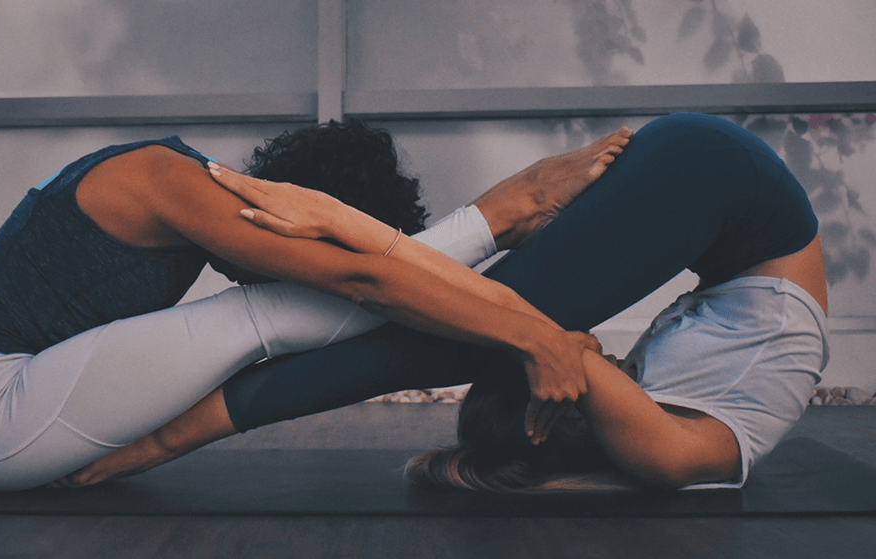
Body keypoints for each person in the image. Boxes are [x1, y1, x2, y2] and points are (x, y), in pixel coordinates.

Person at [58, 113, 827, 491]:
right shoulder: (686, 455)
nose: (556, 404)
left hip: (726, 201)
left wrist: (560, 353)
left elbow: (582, 366)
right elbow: (599, 391)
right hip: (728, 190)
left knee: (477, 324)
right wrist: (559, 353)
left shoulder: (660, 425)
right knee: (451, 337)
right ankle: (171, 432)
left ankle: (446, 214)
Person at [0, 119, 630, 491]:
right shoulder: (172, 183)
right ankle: (505, 211)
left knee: (285, 309)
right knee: (266, 316)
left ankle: (498, 219)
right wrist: (531, 321)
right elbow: (364, 281)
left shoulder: (172, 173)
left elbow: (362, 275)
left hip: (13, 395)